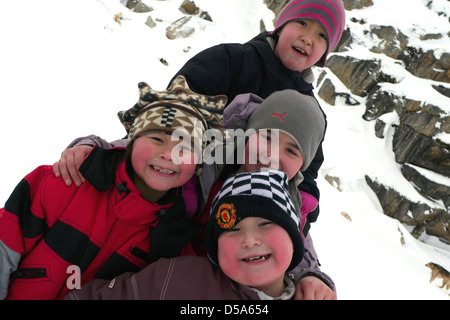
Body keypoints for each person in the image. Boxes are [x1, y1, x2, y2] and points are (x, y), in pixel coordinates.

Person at [0, 76, 227, 300]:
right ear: (131, 142)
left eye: (185, 147)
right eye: (157, 139)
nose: (169, 154)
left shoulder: (173, 243)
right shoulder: (64, 182)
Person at [65, 170, 304, 300]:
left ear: (294, 239)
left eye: (265, 223)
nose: (250, 240)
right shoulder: (178, 277)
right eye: (233, 229)